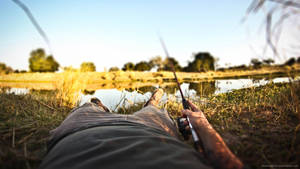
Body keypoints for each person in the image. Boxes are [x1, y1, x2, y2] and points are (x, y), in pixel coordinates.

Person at [39, 89, 244, 169]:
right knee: (154, 113)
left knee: (86, 107)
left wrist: (203, 126)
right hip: (151, 130)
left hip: (80, 132)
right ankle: (152, 104)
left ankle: (99, 106)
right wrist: (204, 125)